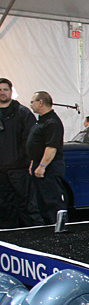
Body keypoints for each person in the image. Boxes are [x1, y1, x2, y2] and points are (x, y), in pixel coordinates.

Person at [0, 77, 39, 227]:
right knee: (4, 204)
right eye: (0, 90)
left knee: (26, 202)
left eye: (5, 89)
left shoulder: (23, 113)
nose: (2, 92)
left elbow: (30, 140)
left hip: (19, 168)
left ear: (11, 91)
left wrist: (29, 160)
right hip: (1, 170)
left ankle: (33, 233)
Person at [26, 91, 66, 225]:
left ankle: (59, 227)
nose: (31, 105)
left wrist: (42, 166)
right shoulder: (41, 121)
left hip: (50, 167)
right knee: (42, 201)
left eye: (33, 102)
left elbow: (51, 148)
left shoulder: (52, 122)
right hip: (39, 164)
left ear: (41, 102)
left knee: (52, 199)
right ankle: (48, 226)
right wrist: (33, 163)